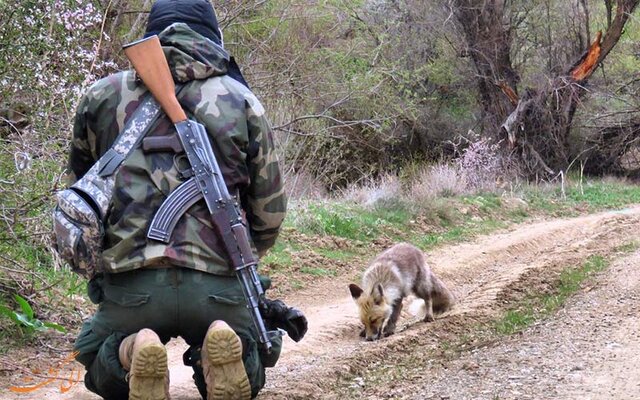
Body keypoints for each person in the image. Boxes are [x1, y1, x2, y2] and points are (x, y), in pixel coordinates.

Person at [68, 1, 293, 399]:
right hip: (218, 284)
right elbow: (269, 209)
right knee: (250, 359)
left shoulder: (101, 96)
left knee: (93, 352)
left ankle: (133, 348)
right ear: (211, 35)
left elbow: (81, 193)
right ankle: (217, 346)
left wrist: (102, 262)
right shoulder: (240, 100)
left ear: (154, 32)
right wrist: (244, 253)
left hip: (131, 286)